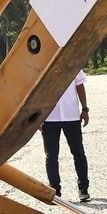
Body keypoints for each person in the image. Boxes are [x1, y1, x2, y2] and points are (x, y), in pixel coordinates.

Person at [40, 70, 90, 202]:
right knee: (51, 156)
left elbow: (79, 85)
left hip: (71, 116)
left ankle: (83, 188)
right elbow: (36, 90)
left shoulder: (72, 61)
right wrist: (38, 117)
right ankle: (55, 191)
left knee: (78, 153)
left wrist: (85, 109)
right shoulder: (42, 63)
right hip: (49, 118)